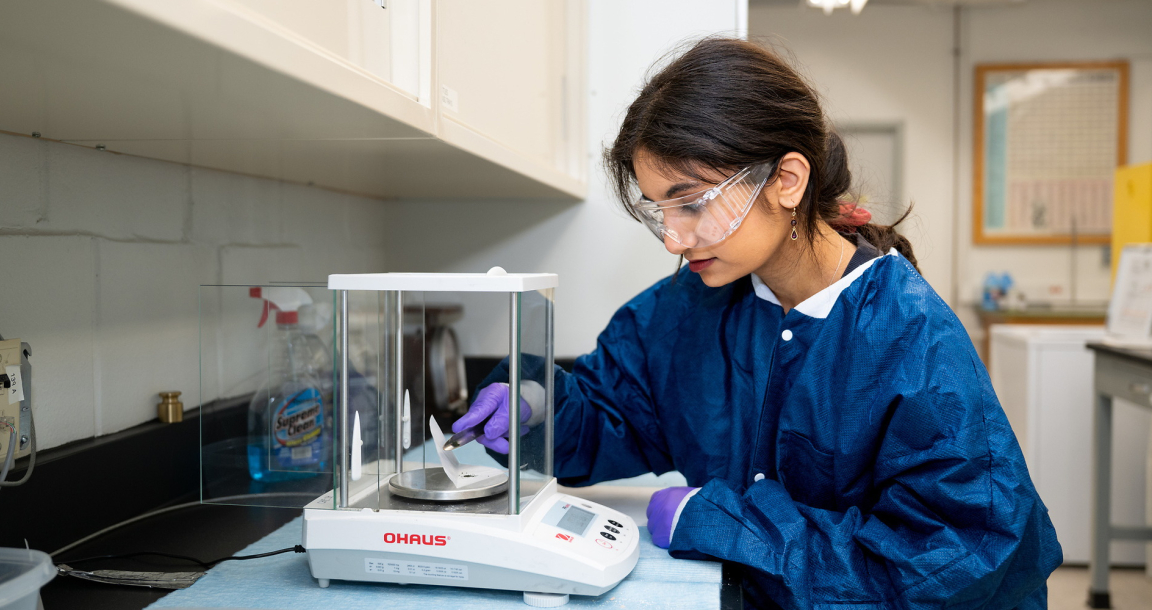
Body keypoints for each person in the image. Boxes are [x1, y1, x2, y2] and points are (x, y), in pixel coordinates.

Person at [453, 37, 1061, 609]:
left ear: (787, 181)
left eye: (691, 203)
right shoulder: (690, 306)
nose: (673, 240)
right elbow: (616, 407)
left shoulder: (910, 338)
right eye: (659, 210)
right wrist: (537, 404)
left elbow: (951, 563)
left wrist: (721, 525)